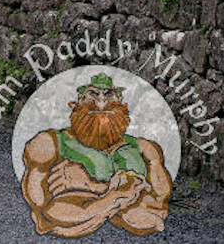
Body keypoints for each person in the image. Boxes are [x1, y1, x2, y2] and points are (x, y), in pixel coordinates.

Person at [21, 73, 172, 237]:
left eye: (109, 95)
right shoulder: (49, 143)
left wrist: (91, 186)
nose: (101, 102)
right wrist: (123, 194)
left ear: (120, 100)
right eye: (93, 94)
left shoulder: (146, 148)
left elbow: (158, 207)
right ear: (80, 100)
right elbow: (44, 210)